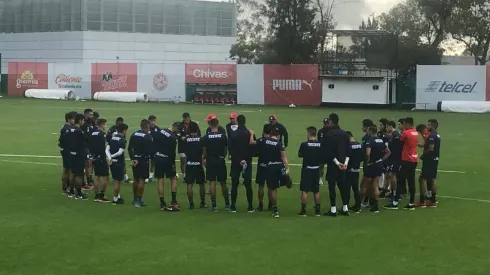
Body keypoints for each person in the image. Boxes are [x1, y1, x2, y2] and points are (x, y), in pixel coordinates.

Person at [250, 126, 290, 218]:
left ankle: (260, 205)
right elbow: (283, 157)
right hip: (276, 168)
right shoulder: (279, 144)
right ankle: (273, 208)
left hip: (265, 166)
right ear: (278, 135)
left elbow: (252, 143)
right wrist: (287, 168)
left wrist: (252, 134)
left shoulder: (263, 140)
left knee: (261, 185)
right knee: (272, 189)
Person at [323, 113, 351, 216]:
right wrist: (345, 163)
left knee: (332, 186)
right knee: (343, 186)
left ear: (330, 121)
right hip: (344, 165)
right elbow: (349, 150)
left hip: (333, 164)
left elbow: (328, 151)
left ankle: (333, 209)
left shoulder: (329, 134)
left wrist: (337, 162)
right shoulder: (345, 134)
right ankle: (345, 208)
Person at [360, 126, 391, 213]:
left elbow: (367, 153)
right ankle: (375, 206)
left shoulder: (370, 140)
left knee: (364, 185)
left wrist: (367, 162)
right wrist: (381, 160)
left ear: (370, 131)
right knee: (375, 186)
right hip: (379, 165)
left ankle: (358, 204)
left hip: (371, 165)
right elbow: (388, 152)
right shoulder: (380, 140)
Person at [202, 118, 230, 212]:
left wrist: (205, 158)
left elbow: (204, 152)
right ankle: (227, 204)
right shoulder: (223, 136)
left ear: (210, 125)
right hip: (220, 160)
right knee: (223, 183)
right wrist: (223, 156)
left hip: (210, 160)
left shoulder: (206, 137)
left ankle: (214, 206)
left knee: (212, 183)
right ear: (218, 125)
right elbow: (226, 149)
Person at [228, 115, 255, 213]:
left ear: (237, 122)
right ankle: (250, 206)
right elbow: (253, 148)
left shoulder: (233, 134)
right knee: (248, 184)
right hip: (247, 161)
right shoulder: (249, 133)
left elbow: (230, 147)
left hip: (236, 161)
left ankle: (233, 206)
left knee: (234, 183)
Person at [153, 122, 181, 211]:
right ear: (176, 128)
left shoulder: (160, 131)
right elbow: (172, 153)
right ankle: (173, 200)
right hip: (168, 159)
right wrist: (173, 164)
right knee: (173, 178)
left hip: (158, 158)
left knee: (160, 180)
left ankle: (162, 202)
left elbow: (154, 143)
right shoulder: (173, 138)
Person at [128, 119, 154, 207]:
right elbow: (150, 150)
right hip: (143, 160)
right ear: (147, 126)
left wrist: (133, 158)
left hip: (135, 159)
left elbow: (129, 148)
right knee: (142, 180)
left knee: (136, 179)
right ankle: (139, 200)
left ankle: (135, 198)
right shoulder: (148, 136)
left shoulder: (134, 134)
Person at [297, 126, 322, 217]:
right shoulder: (320, 144)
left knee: (305, 190)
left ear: (308, 134)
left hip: (307, 169)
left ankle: (303, 211)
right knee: (316, 191)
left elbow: (300, 155)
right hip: (316, 169)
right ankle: (318, 211)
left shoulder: (304, 144)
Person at [396, 117, 419, 210]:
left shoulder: (405, 133)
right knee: (411, 181)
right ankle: (411, 202)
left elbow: (400, 141)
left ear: (408, 124)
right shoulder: (415, 132)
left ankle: (395, 201)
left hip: (406, 159)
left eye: (404, 124)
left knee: (400, 179)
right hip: (414, 159)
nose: (403, 126)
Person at [417, 119, 440, 208]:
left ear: (432, 126)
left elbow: (431, 148)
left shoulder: (431, 136)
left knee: (422, 179)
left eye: (428, 125)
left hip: (429, 160)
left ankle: (422, 201)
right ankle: (433, 200)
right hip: (435, 159)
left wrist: (423, 155)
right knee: (432, 179)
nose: (427, 127)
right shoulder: (437, 135)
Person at [65, 113, 89, 200]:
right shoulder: (80, 131)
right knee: (79, 175)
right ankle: (78, 193)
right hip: (79, 154)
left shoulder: (69, 129)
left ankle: (71, 191)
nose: (84, 122)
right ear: (80, 121)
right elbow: (85, 141)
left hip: (71, 153)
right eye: (83, 120)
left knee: (73, 173)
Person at [183, 122, 207, 209]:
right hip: (198, 164)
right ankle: (202, 202)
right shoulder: (201, 139)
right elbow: (204, 152)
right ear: (197, 130)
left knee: (189, 184)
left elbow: (184, 152)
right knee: (201, 184)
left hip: (189, 164)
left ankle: (191, 203)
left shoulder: (186, 139)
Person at [106, 123, 128, 205]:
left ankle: (117, 196)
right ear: (124, 130)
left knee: (115, 180)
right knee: (118, 182)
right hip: (118, 162)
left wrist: (110, 157)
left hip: (112, 163)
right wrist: (112, 156)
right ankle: (115, 199)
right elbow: (120, 152)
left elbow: (106, 150)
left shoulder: (113, 138)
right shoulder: (122, 140)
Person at [383, 121, 403, 209]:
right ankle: (392, 193)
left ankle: (395, 194)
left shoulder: (396, 136)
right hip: (391, 159)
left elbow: (398, 149)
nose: (386, 129)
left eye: (387, 127)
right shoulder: (393, 135)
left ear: (391, 126)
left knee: (392, 175)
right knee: (388, 175)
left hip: (395, 159)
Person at [89, 118, 110, 202]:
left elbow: (90, 145)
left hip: (94, 157)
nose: (106, 126)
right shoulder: (102, 134)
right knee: (105, 176)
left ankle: (96, 195)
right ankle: (101, 195)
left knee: (96, 176)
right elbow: (101, 147)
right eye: (105, 124)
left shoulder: (92, 133)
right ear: (102, 124)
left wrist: (92, 156)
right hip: (100, 157)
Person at [178, 112, 201, 177]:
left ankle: (193, 174)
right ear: (183, 119)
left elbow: (199, 135)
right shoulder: (180, 125)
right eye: (185, 120)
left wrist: (189, 137)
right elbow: (177, 135)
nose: (186, 121)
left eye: (187, 120)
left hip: (192, 145)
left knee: (192, 160)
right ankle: (185, 175)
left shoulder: (194, 124)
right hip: (182, 145)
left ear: (189, 118)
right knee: (183, 161)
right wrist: (180, 138)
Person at [345, 131, 363, 213]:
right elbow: (363, 157)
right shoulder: (360, 145)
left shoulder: (348, 146)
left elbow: (347, 157)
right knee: (356, 188)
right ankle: (358, 206)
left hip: (349, 169)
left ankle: (346, 206)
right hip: (357, 169)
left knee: (347, 188)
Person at [254, 125, 271, 211]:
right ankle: (271, 204)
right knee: (270, 187)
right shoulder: (273, 141)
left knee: (261, 186)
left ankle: (260, 205)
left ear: (263, 131)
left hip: (261, 165)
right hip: (270, 166)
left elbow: (253, 148)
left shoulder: (260, 140)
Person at [59, 112, 76, 195]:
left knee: (66, 169)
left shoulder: (65, 127)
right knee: (68, 170)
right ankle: (68, 188)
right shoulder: (67, 129)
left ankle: (65, 187)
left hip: (64, 150)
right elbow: (64, 140)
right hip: (67, 151)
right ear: (69, 119)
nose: (74, 121)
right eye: (73, 119)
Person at [360, 119, 374, 207]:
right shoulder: (376, 138)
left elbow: (366, 152)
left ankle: (361, 202)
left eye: (363, 125)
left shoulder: (366, 138)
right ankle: (370, 201)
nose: (362, 127)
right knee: (373, 183)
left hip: (368, 163)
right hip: (376, 163)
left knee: (364, 184)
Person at [82, 108, 95, 189]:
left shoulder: (92, 122)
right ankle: (84, 181)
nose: (91, 116)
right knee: (86, 163)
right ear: (86, 114)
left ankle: (89, 179)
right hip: (85, 146)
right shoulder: (83, 123)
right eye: (90, 114)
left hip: (90, 146)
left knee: (89, 163)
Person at [317, 118, 330, 185]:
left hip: (330, 151)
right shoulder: (320, 131)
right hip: (322, 151)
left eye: (327, 124)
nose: (325, 125)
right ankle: (320, 178)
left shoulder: (331, 131)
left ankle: (331, 179)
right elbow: (319, 141)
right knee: (321, 166)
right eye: (325, 124)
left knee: (331, 166)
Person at [148, 115, 159, 183]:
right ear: (149, 121)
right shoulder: (145, 128)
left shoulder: (157, 129)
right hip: (146, 148)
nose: (152, 122)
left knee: (153, 163)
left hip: (154, 149)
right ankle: (144, 176)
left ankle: (150, 177)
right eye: (151, 121)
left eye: (154, 121)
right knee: (145, 162)